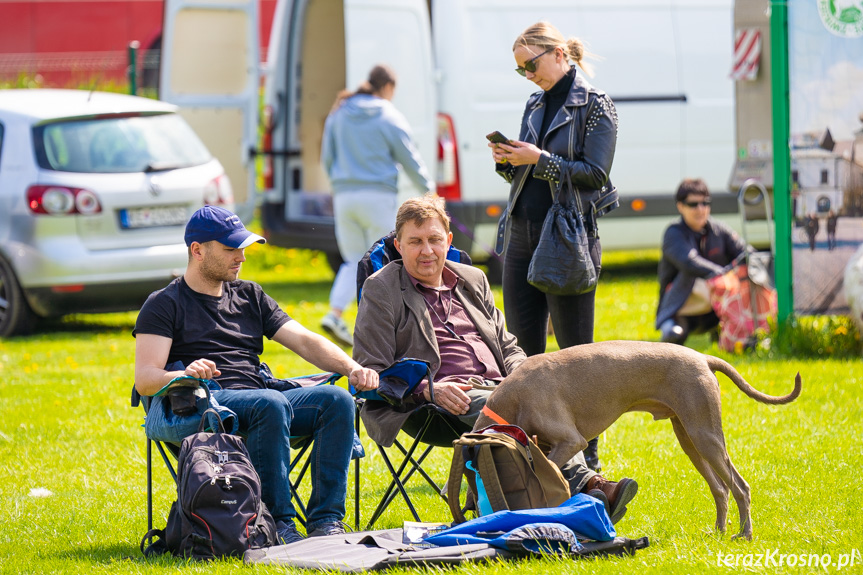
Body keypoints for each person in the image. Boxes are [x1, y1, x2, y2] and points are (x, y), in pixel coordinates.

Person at [353, 194, 638, 524]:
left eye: (433, 239)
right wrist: (430, 390)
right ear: (398, 245)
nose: (426, 251)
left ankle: (574, 496)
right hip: (439, 403)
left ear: (448, 240)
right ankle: (590, 485)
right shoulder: (381, 288)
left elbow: (509, 346)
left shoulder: (473, 280)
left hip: (504, 387)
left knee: (542, 397)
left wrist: (525, 375)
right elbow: (372, 369)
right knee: (515, 408)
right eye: (415, 242)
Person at [133, 205, 379, 544]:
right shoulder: (164, 303)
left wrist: (352, 368)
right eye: (231, 248)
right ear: (198, 250)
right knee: (270, 403)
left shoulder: (250, 295)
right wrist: (185, 374)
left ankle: (326, 523)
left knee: (336, 400)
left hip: (261, 398)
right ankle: (277, 523)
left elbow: (304, 340)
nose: (242, 257)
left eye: (243, 247)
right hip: (204, 405)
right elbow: (145, 378)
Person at [488, 21, 619, 471]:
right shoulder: (535, 101)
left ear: (559, 53)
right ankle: (532, 453)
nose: (528, 75)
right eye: (520, 69)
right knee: (523, 354)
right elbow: (531, 171)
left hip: (566, 237)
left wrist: (539, 160)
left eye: (532, 64)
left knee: (576, 354)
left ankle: (589, 460)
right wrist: (510, 161)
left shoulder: (597, 105)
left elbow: (594, 174)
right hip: (522, 234)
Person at [320, 64, 433, 347]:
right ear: (388, 88)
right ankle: (386, 326)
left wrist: (340, 184)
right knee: (385, 262)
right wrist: (429, 192)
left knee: (352, 260)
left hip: (344, 197)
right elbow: (409, 157)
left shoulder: (340, 112)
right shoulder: (388, 115)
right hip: (378, 197)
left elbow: (326, 158)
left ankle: (335, 314)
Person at [656, 179, 748, 345]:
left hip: (717, 308)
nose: (701, 209)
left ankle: (725, 335)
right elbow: (690, 262)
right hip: (681, 309)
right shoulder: (673, 233)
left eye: (705, 203)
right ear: (680, 206)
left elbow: (744, 253)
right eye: (693, 204)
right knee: (673, 335)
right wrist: (725, 275)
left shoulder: (719, 229)